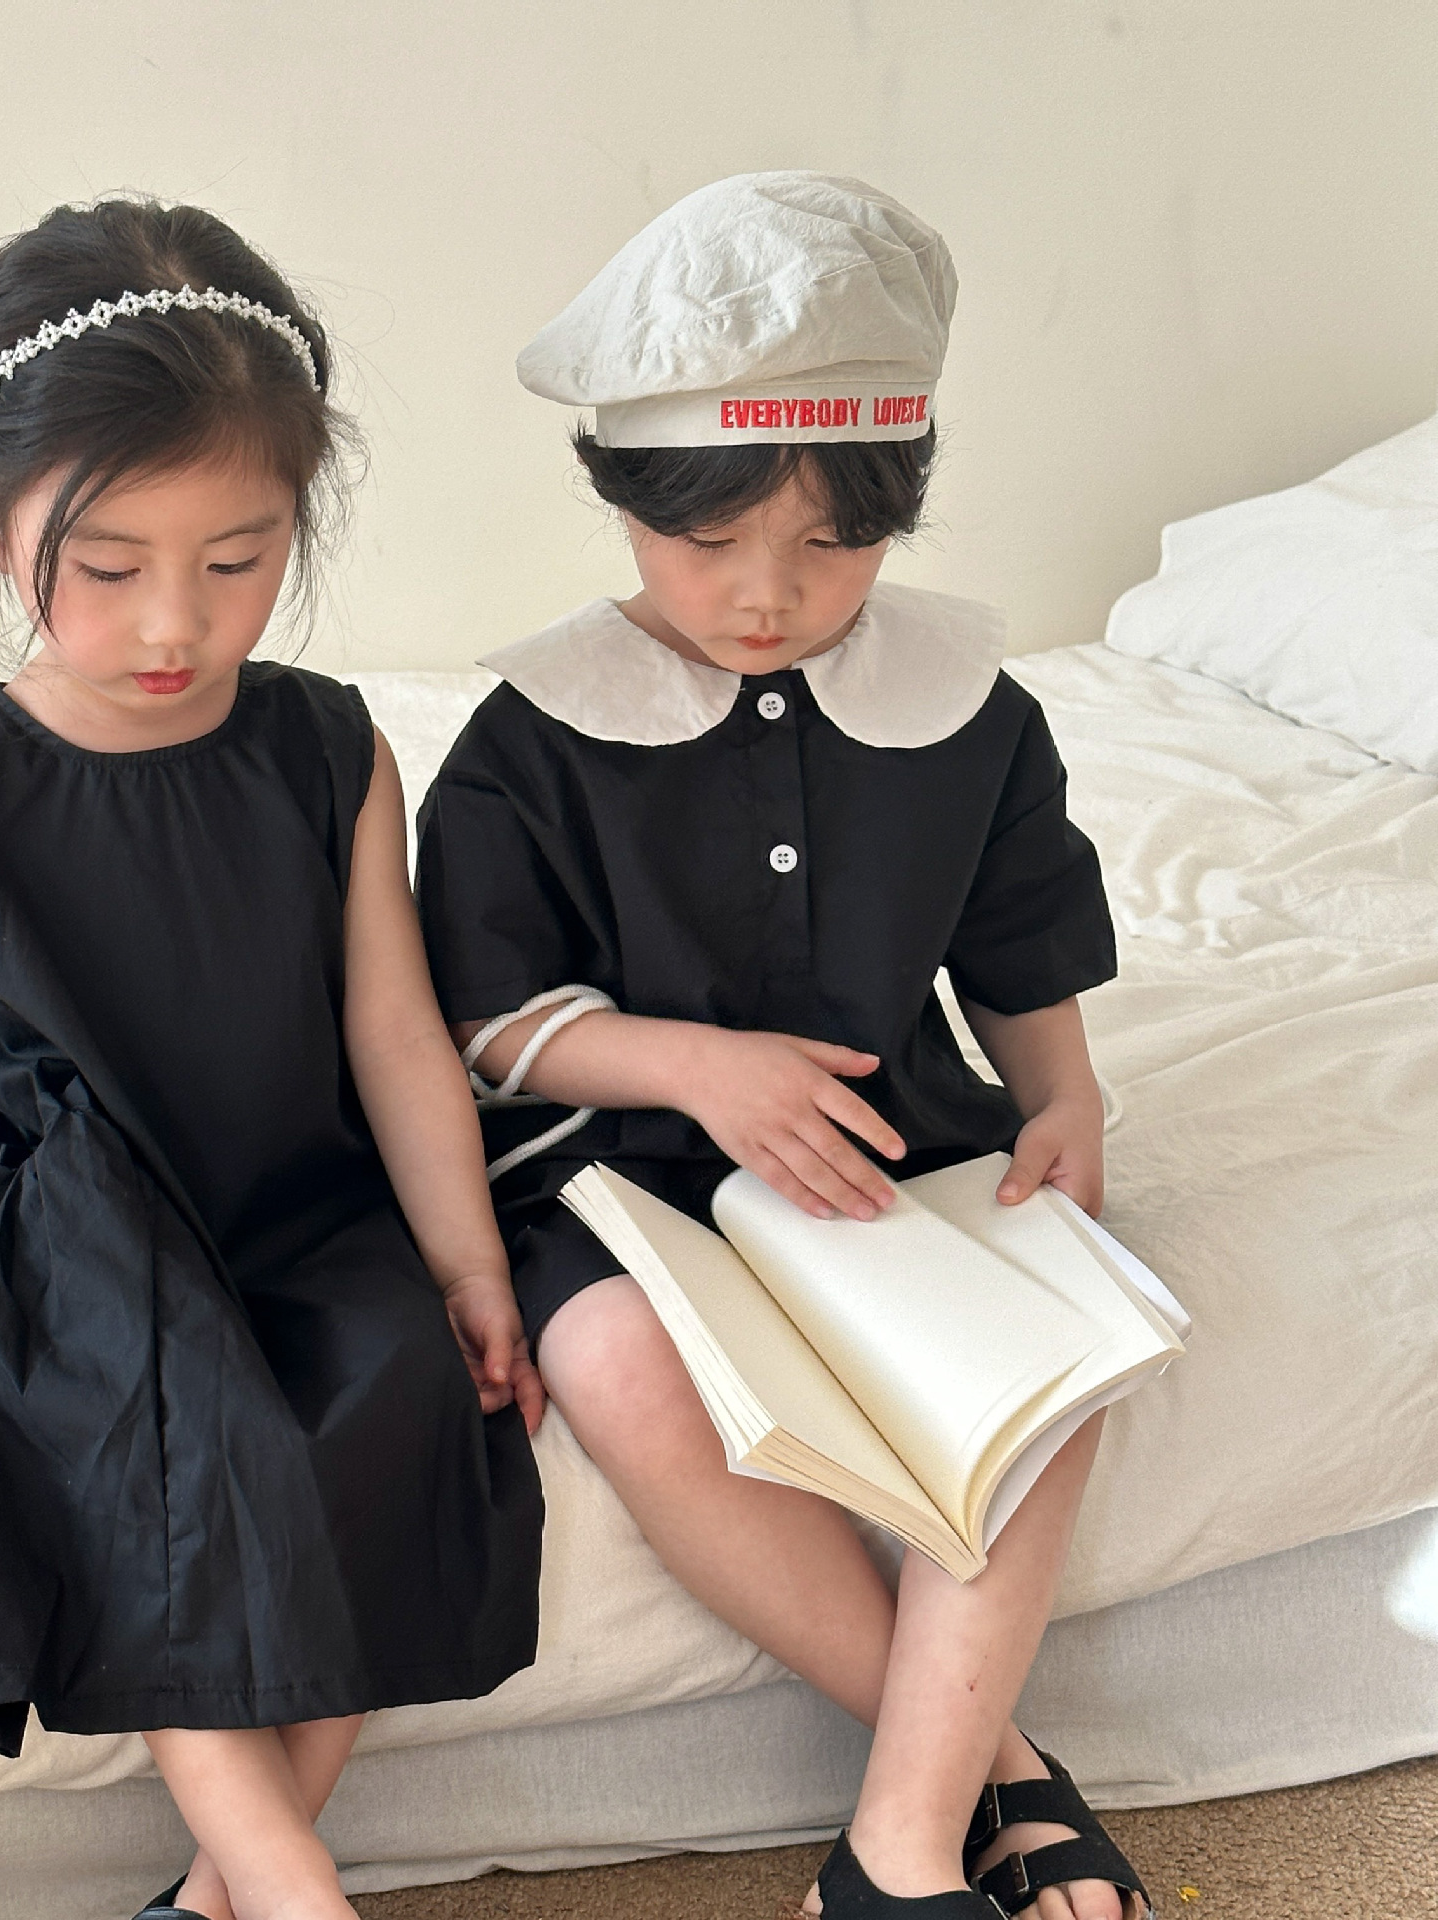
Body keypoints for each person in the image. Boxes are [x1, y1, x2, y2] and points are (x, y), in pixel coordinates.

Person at [0, 196, 544, 1920]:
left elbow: (392, 1031)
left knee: (397, 1416)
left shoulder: (328, 748)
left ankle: (220, 1897)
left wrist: (464, 1262)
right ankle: (293, 1889)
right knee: (172, 1440)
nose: (173, 627)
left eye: (238, 563)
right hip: (63, 1239)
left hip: (290, 1204)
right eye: (112, 567)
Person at [415, 174, 1150, 1920]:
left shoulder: (973, 714)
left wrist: (1066, 1095)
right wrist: (691, 1065)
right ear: (625, 499)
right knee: (620, 1372)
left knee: (1053, 1370)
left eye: (830, 546)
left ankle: (892, 1854)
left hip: (891, 1145)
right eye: (712, 543)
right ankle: (994, 1773)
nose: (767, 596)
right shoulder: (533, 737)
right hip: (622, 1168)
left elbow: (1019, 943)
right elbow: (485, 1021)